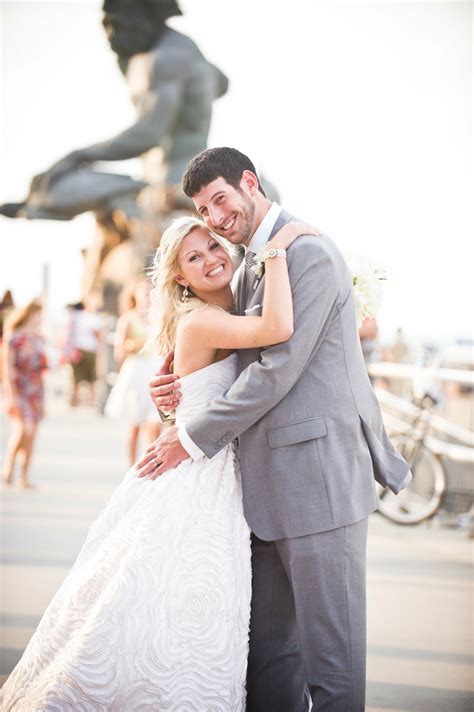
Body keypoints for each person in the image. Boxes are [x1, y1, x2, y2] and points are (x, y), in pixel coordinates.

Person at [0, 216, 317, 710]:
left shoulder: (221, 307)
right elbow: (277, 328)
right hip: (198, 475)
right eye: (195, 258)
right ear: (179, 279)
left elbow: (194, 390)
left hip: (209, 466)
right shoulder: (204, 319)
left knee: (181, 600)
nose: (212, 257)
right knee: (180, 599)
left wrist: (169, 407)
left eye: (213, 246)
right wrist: (279, 246)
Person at [140, 147, 411, 711]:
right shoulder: (242, 262)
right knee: (267, 663)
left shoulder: (306, 253)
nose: (214, 218)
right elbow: (231, 359)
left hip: (319, 486)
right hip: (255, 493)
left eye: (219, 201)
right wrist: (178, 390)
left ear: (249, 183)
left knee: (331, 670)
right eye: (203, 210)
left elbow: (278, 369)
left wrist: (189, 438)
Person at [105, 280, 161, 465]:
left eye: (150, 291)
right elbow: (119, 352)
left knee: (156, 421)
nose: (147, 295)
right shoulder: (128, 318)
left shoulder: (160, 317)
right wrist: (136, 344)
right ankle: (131, 465)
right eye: (143, 292)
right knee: (136, 422)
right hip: (137, 370)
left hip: (155, 368)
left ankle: (151, 463)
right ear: (135, 294)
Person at [1, 300, 47, 489]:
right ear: (29, 314)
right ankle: (9, 466)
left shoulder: (39, 339)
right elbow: (7, 369)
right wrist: (12, 396)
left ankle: (24, 476)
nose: (40, 317)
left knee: (33, 433)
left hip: (36, 389)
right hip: (19, 388)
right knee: (23, 430)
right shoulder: (14, 338)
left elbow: (42, 368)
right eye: (38, 313)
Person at [66, 300, 102, 406]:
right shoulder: (92, 318)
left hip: (76, 350)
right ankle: (91, 401)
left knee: (75, 377)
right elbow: (97, 334)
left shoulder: (73, 318)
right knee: (91, 377)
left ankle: (73, 400)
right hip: (90, 349)